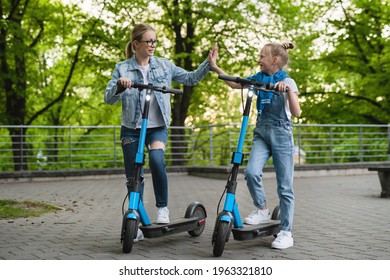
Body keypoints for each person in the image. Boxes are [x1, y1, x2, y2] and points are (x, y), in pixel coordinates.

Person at [104, 23, 217, 242]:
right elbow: (108, 98)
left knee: (156, 160)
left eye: (155, 41)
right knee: (133, 177)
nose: (153, 45)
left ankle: (162, 208)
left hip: (156, 128)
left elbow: (191, 78)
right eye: (149, 41)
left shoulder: (164, 66)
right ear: (136, 44)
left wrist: (208, 64)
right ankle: (134, 219)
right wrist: (120, 86)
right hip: (132, 129)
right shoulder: (122, 68)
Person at [208, 42, 301, 249]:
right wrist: (215, 67)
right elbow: (235, 84)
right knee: (250, 172)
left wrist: (287, 92)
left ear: (274, 60)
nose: (258, 60)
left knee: (285, 187)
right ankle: (262, 209)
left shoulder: (288, 81)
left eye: (262, 57)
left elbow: (296, 113)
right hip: (261, 132)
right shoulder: (258, 78)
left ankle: (286, 232)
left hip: (282, 135)